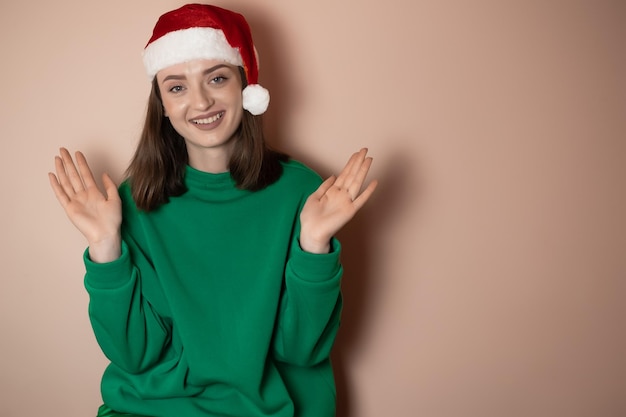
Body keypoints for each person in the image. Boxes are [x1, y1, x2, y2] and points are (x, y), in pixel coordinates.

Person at [48, 4, 377, 417]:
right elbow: (136, 356)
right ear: (162, 105)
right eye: (177, 87)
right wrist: (104, 249)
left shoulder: (305, 195)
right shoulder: (133, 202)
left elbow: (302, 350)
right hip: (154, 409)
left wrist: (314, 246)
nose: (200, 102)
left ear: (246, 85)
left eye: (217, 78)